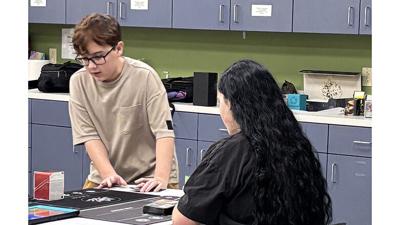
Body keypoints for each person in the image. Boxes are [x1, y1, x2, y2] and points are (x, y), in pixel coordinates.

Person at [172, 59, 332, 225]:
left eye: (220, 102)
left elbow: (183, 220)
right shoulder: (296, 146)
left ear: (233, 105)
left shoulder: (232, 152)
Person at [68, 13, 178, 192]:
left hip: (151, 177)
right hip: (105, 175)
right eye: (84, 59)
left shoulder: (145, 77)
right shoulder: (78, 82)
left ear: (118, 48)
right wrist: (109, 174)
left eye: (98, 57)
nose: (91, 66)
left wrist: (160, 178)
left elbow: (164, 133)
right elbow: (89, 136)